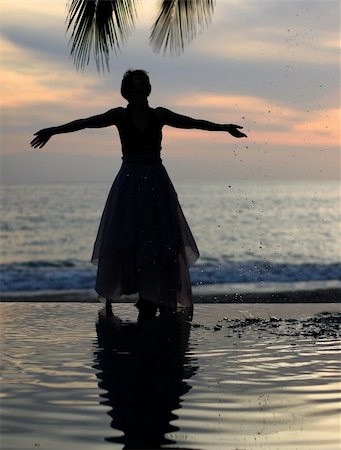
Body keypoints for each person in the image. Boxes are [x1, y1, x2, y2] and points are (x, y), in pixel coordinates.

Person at [31, 69, 247, 319]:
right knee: (127, 236)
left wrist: (224, 128)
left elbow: (193, 122)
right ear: (127, 92)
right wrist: (53, 131)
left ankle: (152, 295)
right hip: (129, 182)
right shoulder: (119, 116)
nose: (141, 91)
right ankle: (136, 291)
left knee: (160, 238)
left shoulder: (160, 114)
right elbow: (85, 122)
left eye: (144, 86)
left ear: (148, 90)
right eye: (136, 87)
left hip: (156, 180)